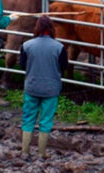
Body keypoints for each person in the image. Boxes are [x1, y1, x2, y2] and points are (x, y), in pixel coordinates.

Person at [20, 16, 68, 158]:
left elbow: (23, 65)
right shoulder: (59, 47)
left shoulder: (27, 45)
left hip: (32, 87)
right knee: (46, 121)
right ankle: (42, 153)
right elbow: (63, 66)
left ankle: (25, 152)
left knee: (28, 119)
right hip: (51, 89)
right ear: (52, 29)